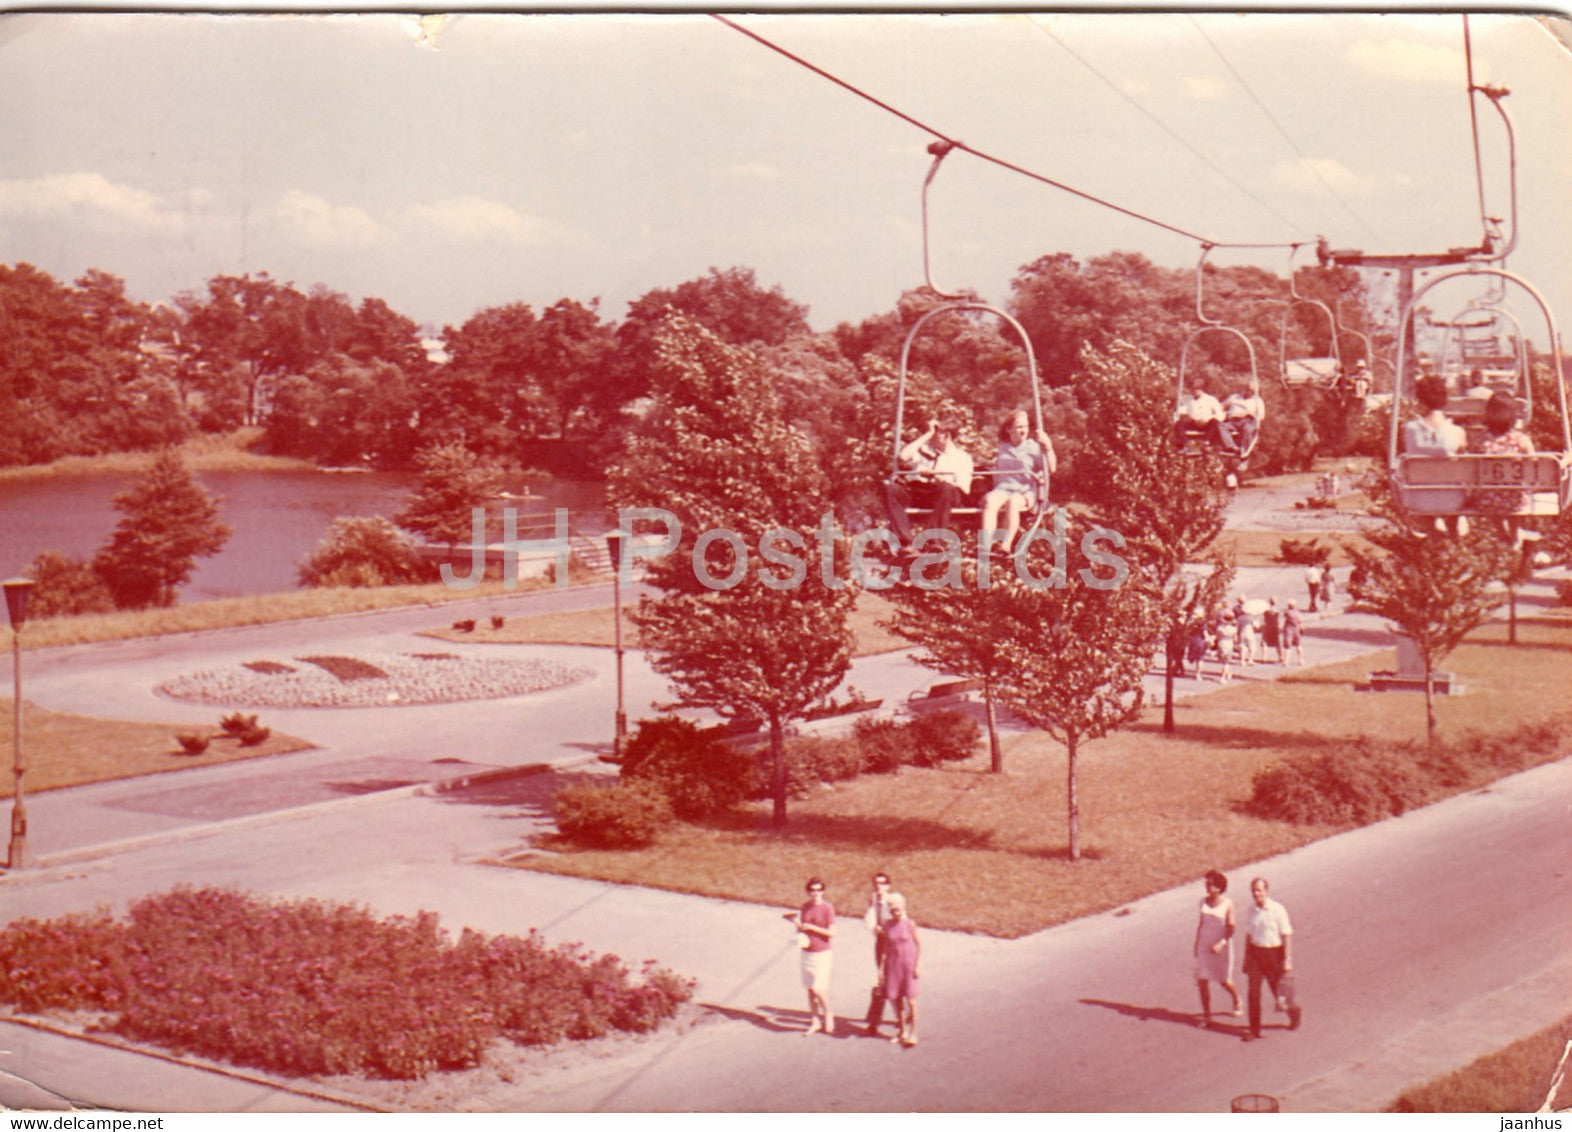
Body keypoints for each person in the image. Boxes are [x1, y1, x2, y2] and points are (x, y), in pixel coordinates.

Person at [885, 416, 974, 557]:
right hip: (921, 492)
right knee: (892, 489)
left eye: (935, 432)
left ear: (946, 435)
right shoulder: (924, 450)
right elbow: (903, 456)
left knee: (946, 487)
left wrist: (939, 477)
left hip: (946, 495)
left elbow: (965, 488)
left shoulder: (961, 458)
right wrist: (926, 435)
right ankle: (905, 543)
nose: (931, 436)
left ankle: (931, 540)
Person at [980, 410, 1057, 557]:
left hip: (1024, 490)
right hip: (1003, 488)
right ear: (1009, 429)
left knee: (1013, 502)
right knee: (990, 500)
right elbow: (1001, 463)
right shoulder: (1003, 447)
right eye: (1019, 427)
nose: (1023, 431)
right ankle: (986, 544)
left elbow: (1051, 468)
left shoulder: (1034, 447)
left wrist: (1048, 447)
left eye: (1025, 427)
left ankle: (1005, 544)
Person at [1402, 374, 1468, 528]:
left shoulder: (1410, 429)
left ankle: (1433, 535)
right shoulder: (1457, 432)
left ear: (1420, 400)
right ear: (1445, 399)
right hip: (1451, 500)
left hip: (1419, 499)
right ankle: (1452, 534)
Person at [1241, 877, 1301, 1041]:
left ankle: (1294, 1014)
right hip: (1256, 954)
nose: (1256, 894)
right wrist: (1246, 958)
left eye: (1259, 890)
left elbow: (1286, 934)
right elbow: (1249, 935)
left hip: (1274, 954)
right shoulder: (1251, 910)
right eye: (1254, 890)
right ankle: (1254, 1030)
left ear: (1266, 891)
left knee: (1279, 993)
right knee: (1253, 992)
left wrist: (1287, 959)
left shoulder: (1277, 909)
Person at [1469, 392, 1535, 519]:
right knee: (1513, 490)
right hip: (1516, 502)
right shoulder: (1521, 440)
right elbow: (1535, 465)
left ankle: (1501, 532)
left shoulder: (1480, 441)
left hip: (1486, 501)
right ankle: (1515, 534)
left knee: (1491, 491)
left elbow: (1471, 471)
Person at [785, 877, 836, 1035]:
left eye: (819, 890)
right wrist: (796, 923)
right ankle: (815, 1020)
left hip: (822, 953)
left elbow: (832, 933)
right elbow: (802, 929)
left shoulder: (828, 908)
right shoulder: (805, 907)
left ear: (823, 891)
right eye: (812, 890)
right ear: (808, 891)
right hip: (807, 951)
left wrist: (813, 927)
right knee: (810, 990)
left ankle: (828, 1014)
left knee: (818, 989)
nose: (816, 893)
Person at [1193, 870, 1242, 1027]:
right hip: (1204, 945)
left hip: (1221, 946)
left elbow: (1231, 927)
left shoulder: (1228, 904)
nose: (1207, 887)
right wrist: (1196, 943)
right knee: (1202, 980)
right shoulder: (1202, 902)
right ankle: (1207, 1016)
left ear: (1219, 888)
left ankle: (1237, 1000)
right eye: (1207, 884)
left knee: (1224, 981)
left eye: (1210, 884)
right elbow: (1201, 923)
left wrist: (1221, 943)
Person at [862, 872, 900, 1037]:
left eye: (883, 883)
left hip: (894, 944)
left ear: (888, 885)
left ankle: (901, 1016)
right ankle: (874, 1021)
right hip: (880, 944)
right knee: (882, 980)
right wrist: (875, 929)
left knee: (894, 982)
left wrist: (885, 930)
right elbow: (869, 920)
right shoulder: (874, 900)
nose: (879, 886)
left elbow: (901, 922)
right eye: (876, 883)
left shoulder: (895, 900)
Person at [880, 892, 921, 1047]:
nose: (895, 913)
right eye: (892, 910)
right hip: (893, 965)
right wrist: (881, 969)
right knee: (896, 999)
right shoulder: (887, 925)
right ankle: (902, 1031)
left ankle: (913, 1033)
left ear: (903, 908)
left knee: (911, 1000)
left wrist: (917, 965)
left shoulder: (910, 924)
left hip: (908, 964)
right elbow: (885, 948)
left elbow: (919, 944)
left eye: (897, 909)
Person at [1174, 375, 1225, 451]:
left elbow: (1220, 414)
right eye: (1193, 389)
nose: (1195, 391)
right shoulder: (1188, 399)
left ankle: (1207, 443)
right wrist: (1179, 414)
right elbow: (1181, 410)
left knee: (1215, 422)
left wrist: (1211, 418)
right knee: (1179, 424)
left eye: (1197, 389)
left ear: (1202, 389)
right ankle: (1184, 446)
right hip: (1194, 422)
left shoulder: (1210, 399)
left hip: (1206, 423)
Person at [1219, 379, 1265, 458]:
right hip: (1233, 421)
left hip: (1247, 421)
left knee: (1248, 429)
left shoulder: (1257, 401)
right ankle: (1231, 447)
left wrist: (1254, 418)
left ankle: (1244, 452)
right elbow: (1221, 406)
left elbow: (1261, 415)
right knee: (1221, 426)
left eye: (1251, 391)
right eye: (1247, 389)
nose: (1248, 392)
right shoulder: (1235, 397)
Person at [1261, 597, 1283, 665]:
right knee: (1277, 643)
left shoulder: (1266, 611)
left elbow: (1264, 620)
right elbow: (1280, 621)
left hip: (1267, 627)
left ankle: (1264, 657)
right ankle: (1280, 656)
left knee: (1264, 642)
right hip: (1275, 628)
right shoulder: (1277, 611)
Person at [1282, 600, 1305, 666]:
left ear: (1288, 606)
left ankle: (1286, 662)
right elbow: (1301, 622)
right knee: (1298, 645)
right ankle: (1301, 660)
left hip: (1289, 630)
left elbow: (1284, 618)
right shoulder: (1298, 613)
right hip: (1297, 630)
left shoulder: (1287, 612)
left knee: (1287, 647)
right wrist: (1302, 629)